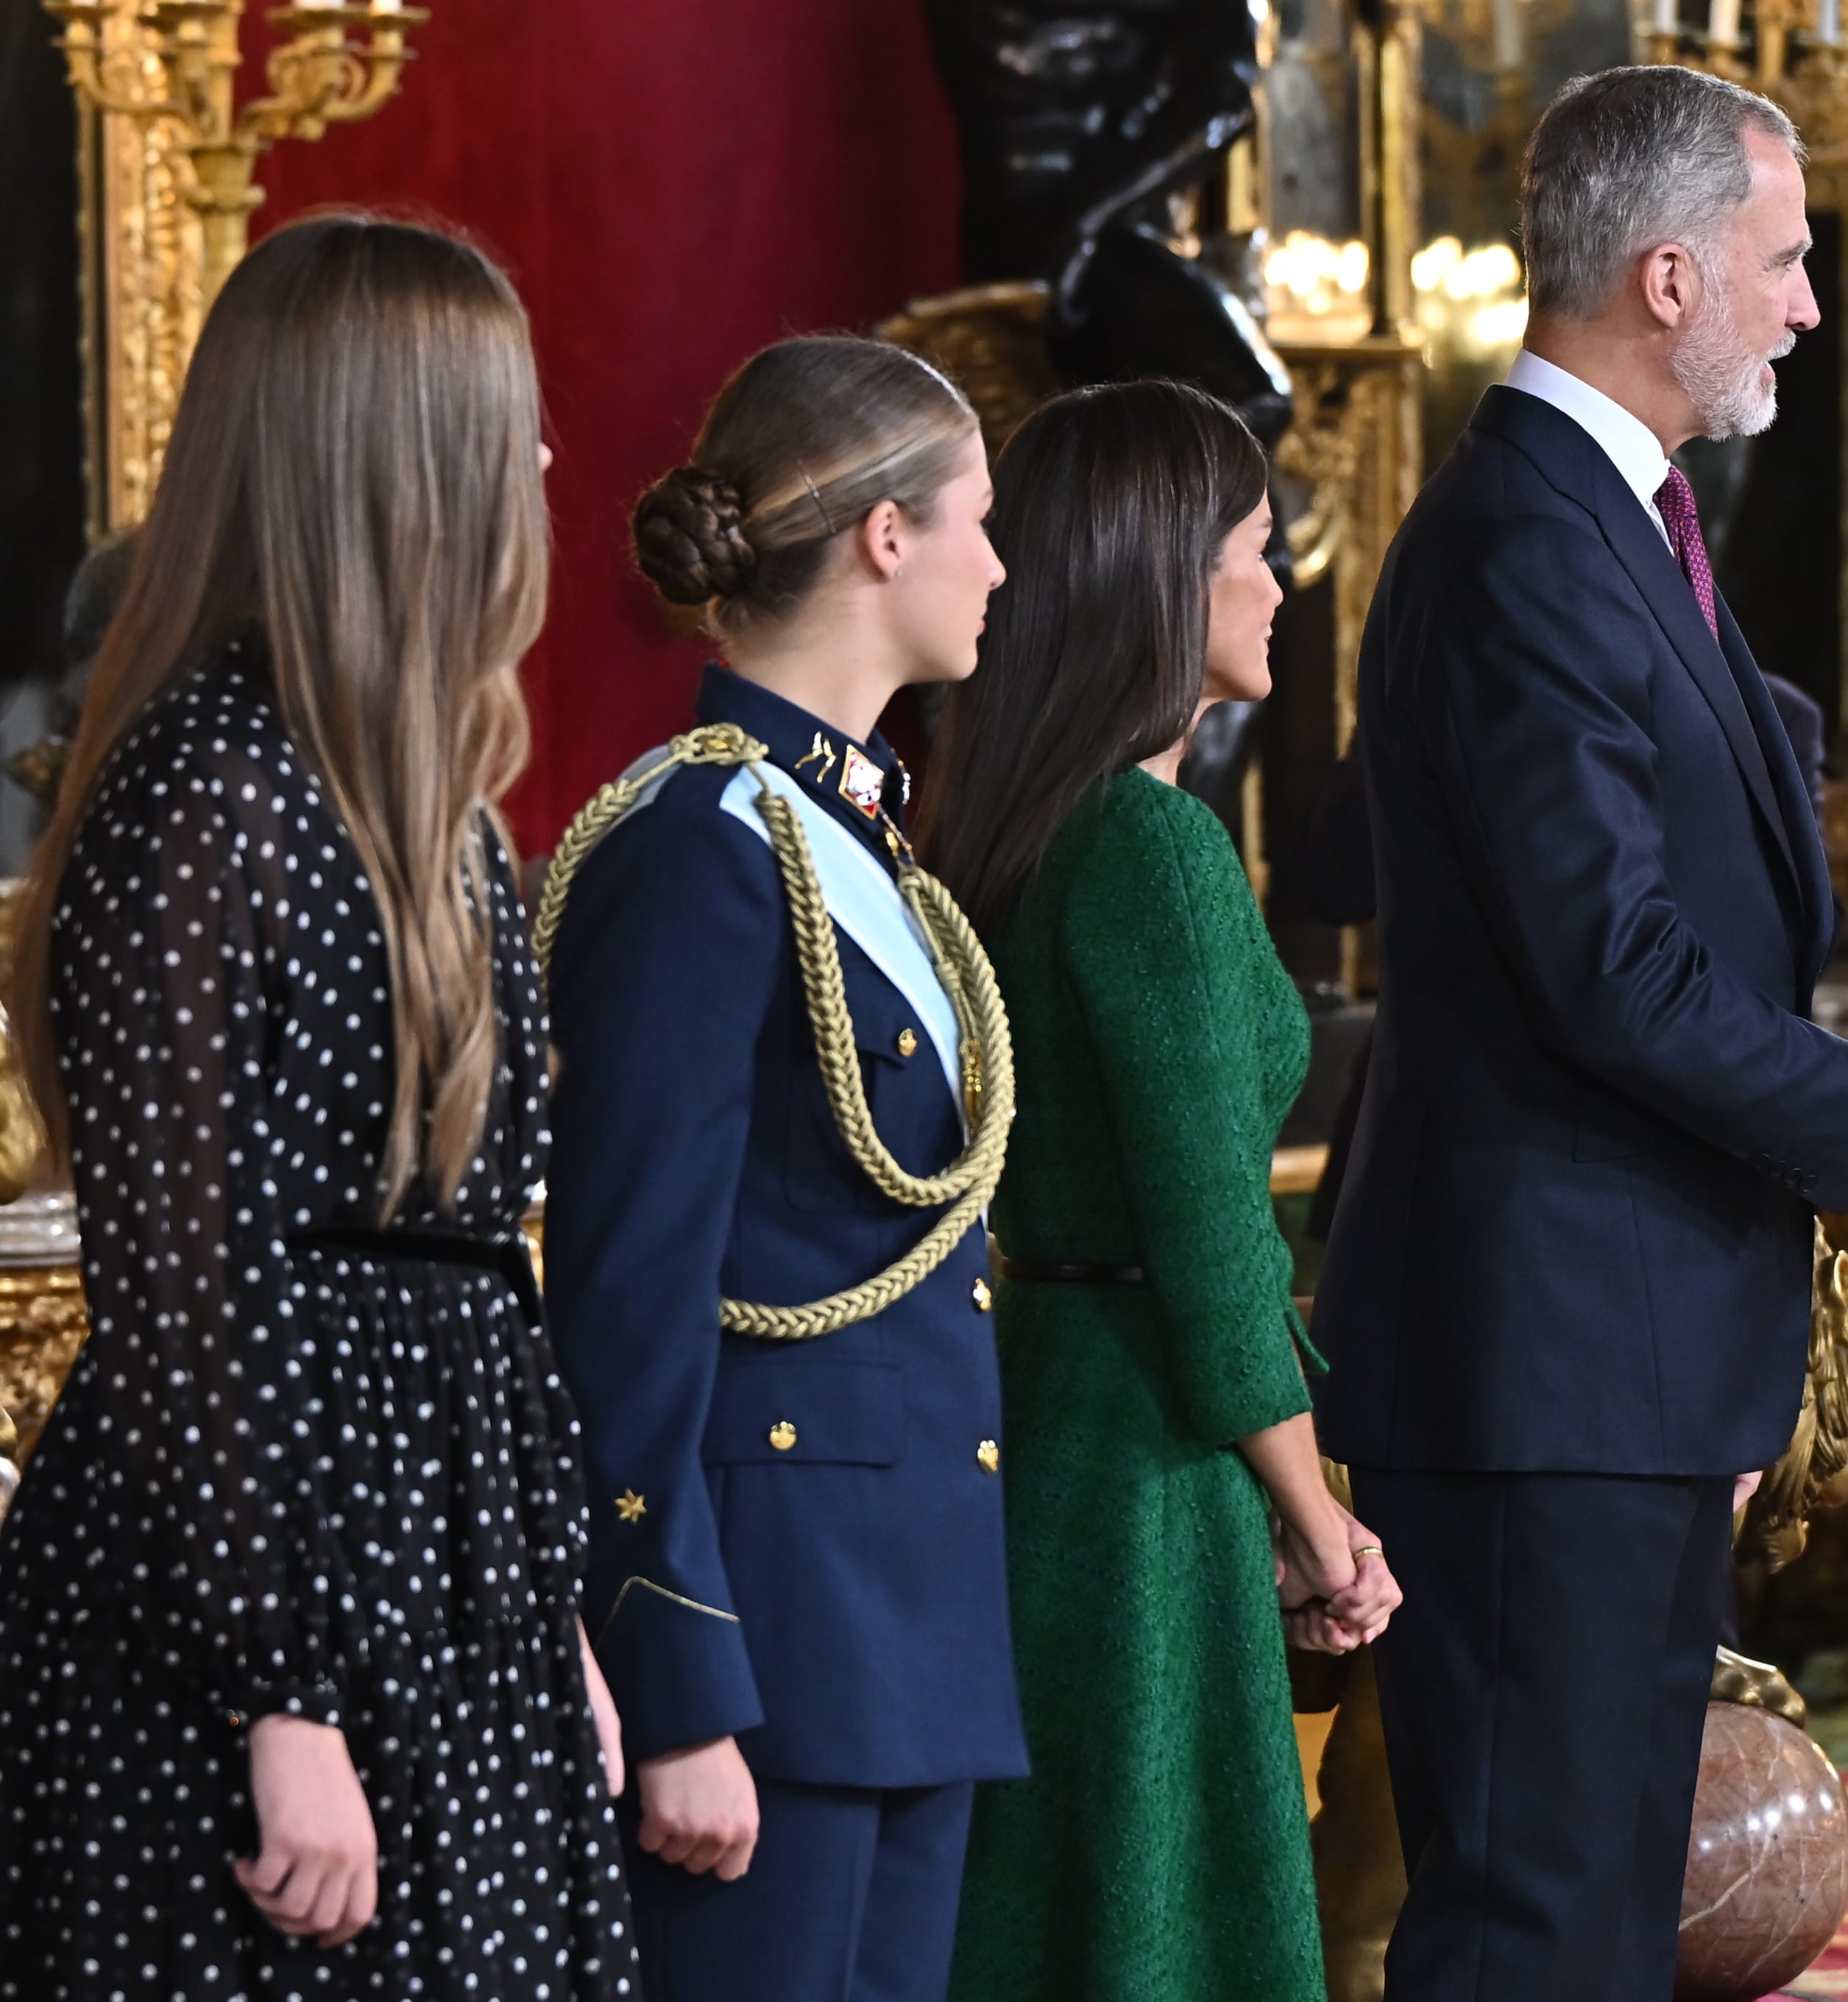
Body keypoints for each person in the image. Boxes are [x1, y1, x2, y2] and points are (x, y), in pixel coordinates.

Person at [1307, 65, 1848, 2001]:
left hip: (1614, 1351)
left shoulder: (1609, 522)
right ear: (1665, 276)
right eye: (1784, 258)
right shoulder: (1530, 541)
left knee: (1607, 1917)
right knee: (1538, 1920)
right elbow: (1615, 970)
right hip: (1544, 1358)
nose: (1807, 301)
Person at [0, 213, 634, 1997]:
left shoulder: (436, 806)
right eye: (505, 421)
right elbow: (195, 1295)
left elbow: (479, 1277)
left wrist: (552, 1611)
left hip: (456, 1553)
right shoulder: (201, 796)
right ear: (398, 456)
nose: (542, 460)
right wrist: (281, 1695)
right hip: (255, 1580)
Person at [539, 335, 1024, 2002]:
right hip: (773, 1655)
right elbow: (625, 1301)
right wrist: (675, 1684)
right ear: (886, 537)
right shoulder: (694, 850)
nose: (998, 564)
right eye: (976, 518)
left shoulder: (859, 841)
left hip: (913, 1630)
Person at [918, 378, 1399, 2002]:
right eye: (1257, 550)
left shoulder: (1014, 822)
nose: (1284, 584)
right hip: (1150, 1474)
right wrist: (1320, 1518)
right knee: (1154, 1926)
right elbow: (1212, 1253)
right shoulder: (1155, 848)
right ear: (1159, 576)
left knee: (1050, 1913)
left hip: (1040, 1408)